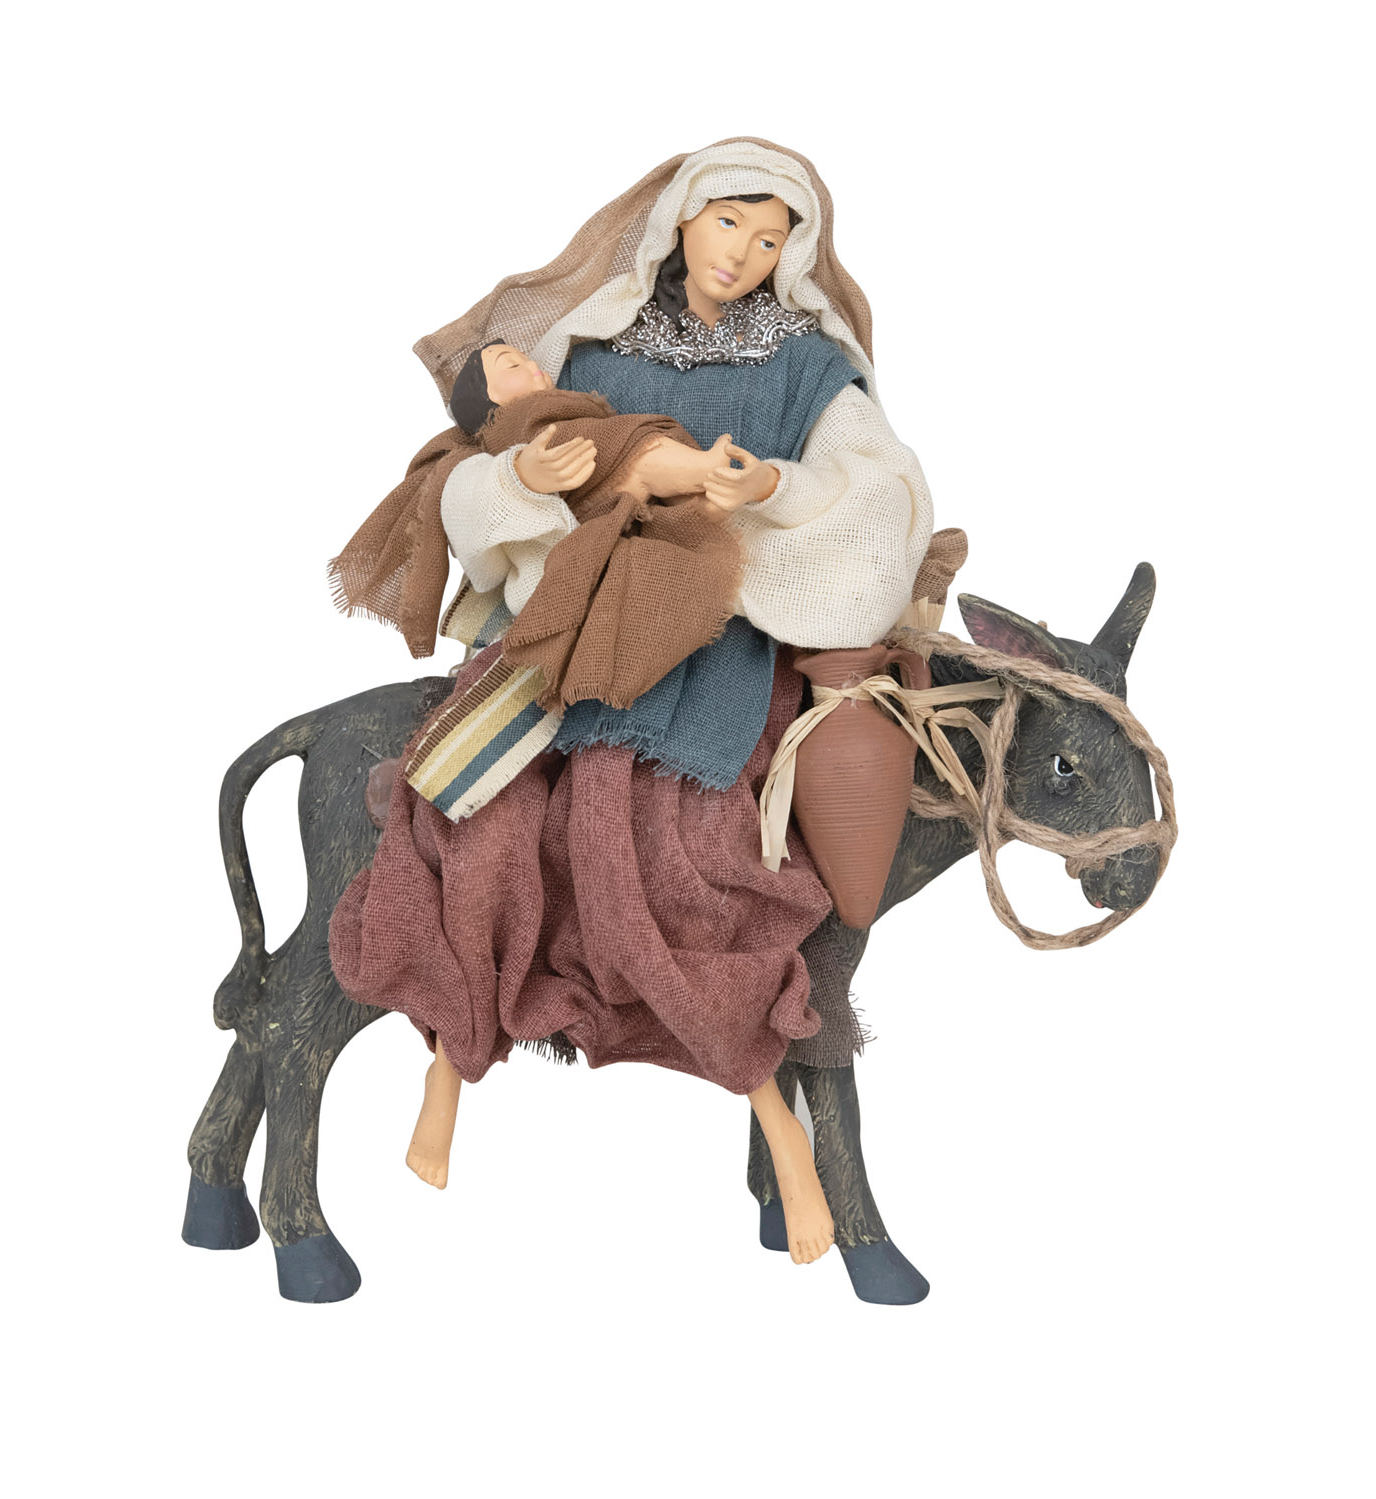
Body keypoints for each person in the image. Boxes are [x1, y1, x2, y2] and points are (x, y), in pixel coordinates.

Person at [328, 139, 934, 1265]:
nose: (743, 254)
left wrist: (772, 485)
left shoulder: (809, 367)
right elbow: (471, 465)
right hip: (568, 637)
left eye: (770, 239)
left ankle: (780, 1131)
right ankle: (450, 1064)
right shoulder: (594, 347)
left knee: (682, 858)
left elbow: (882, 488)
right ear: (680, 221)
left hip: (713, 645)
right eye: (728, 225)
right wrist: (523, 481)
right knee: (480, 824)